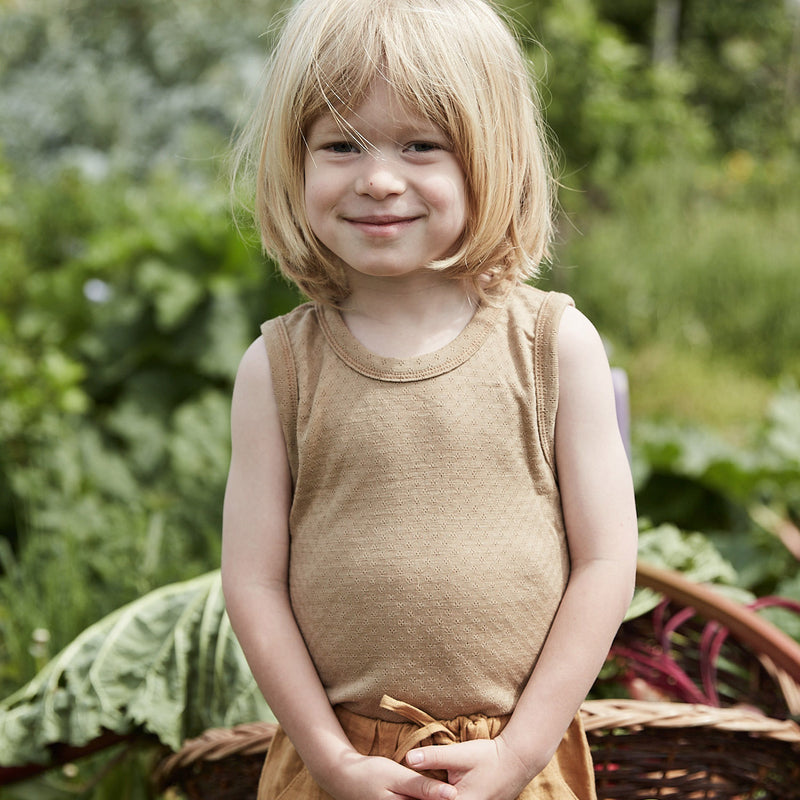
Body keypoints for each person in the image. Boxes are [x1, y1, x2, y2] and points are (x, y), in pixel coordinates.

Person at [221, 0, 638, 798]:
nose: (379, 178)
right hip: (341, 761)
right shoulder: (278, 367)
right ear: (295, 162)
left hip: (514, 754)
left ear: (489, 159)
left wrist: (517, 756)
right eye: (341, 144)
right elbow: (254, 583)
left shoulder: (554, 345)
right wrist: (331, 759)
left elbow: (606, 564)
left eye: (422, 145)